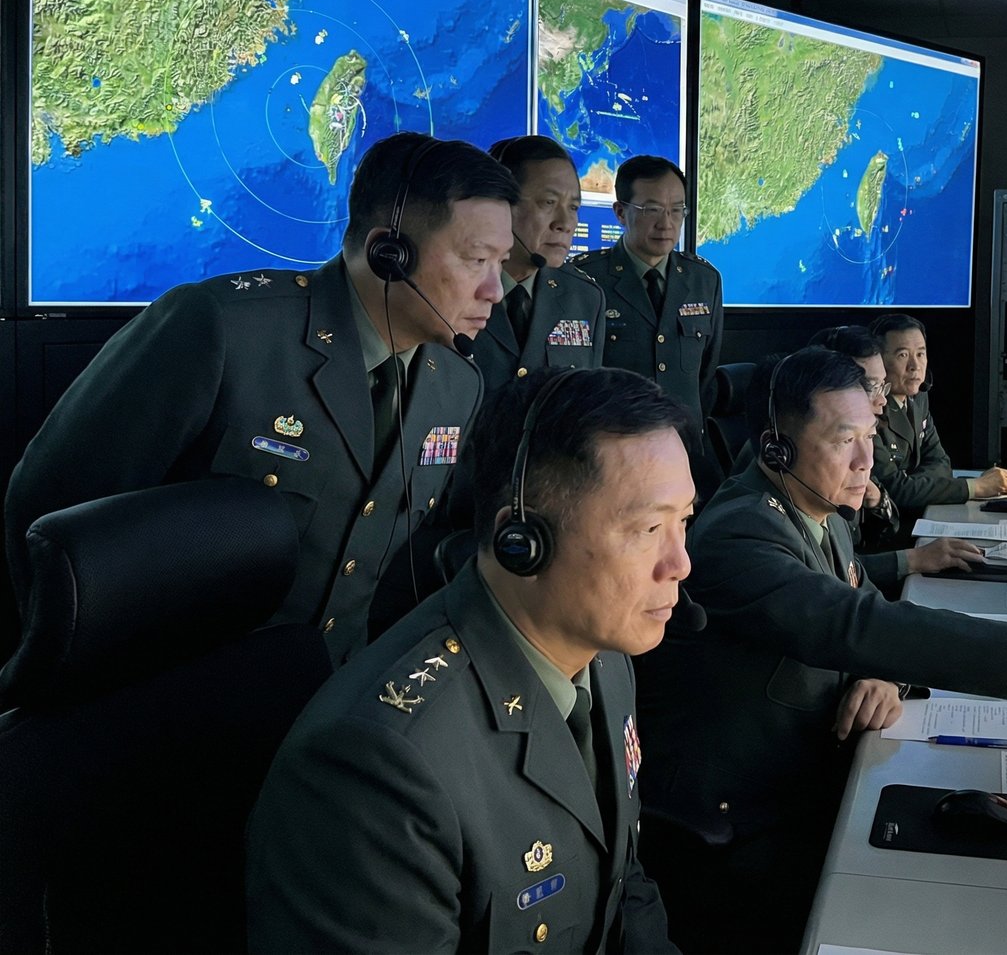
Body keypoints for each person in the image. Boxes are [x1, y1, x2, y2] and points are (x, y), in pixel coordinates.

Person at [634, 347, 1007, 954]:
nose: (866, 461)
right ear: (777, 448)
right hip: (739, 829)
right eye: (843, 440)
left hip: (800, 777)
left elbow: (859, 628)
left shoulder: (816, 512)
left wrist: (887, 678)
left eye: (870, 437)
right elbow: (857, 624)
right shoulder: (739, 535)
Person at [5, 132, 519, 664]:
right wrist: (60, 676)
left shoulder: (457, 382)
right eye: (476, 260)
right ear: (389, 253)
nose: (494, 290)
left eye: (500, 262)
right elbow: (48, 507)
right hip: (167, 694)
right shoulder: (223, 330)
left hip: (319, 702)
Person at [247, 367, 693, 953]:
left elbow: (622, 884)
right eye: (649, 528)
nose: (680, 564)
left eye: (683, 521)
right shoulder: (381, 766)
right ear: (523, 541)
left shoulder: (602, 657)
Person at [571, 155, 722, 489]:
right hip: (614, 464)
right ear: (621, 213)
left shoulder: (703, 280)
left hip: (686, 461)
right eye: (652, 209)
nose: (666, 223)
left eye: (676, 210)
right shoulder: (585, 281)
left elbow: (705, 377)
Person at [809, 324, 980, 592]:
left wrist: (878, 502)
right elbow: (833, 577)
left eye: (882, 386)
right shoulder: (808, 466)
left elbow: (881, 526)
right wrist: (913, 559)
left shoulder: (854, 446)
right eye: (870, 386)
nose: (882, 401)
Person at [476, 135, 606, 395]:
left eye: (573, 207)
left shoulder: (585, 298)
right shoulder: (456, 288)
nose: (564, 222)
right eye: (549, 203)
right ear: (501, 202)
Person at [870, 312, 1007, 518]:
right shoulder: (869, 413)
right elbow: (895, 491)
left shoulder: (919, 397)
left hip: (922, 512)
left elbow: (941, 463)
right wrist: (975, 488)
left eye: (920, 354)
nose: (915, 365)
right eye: (902, 355)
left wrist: (914, 484)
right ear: (879, 360)